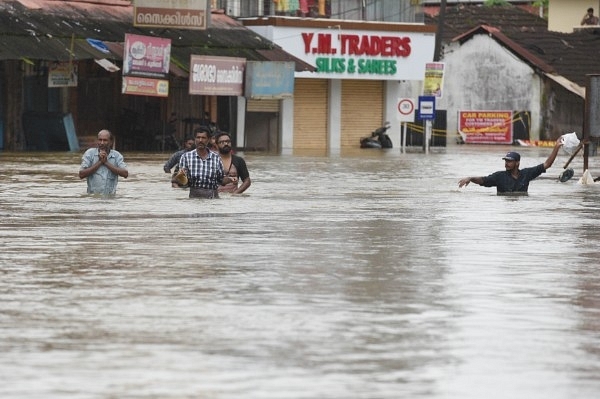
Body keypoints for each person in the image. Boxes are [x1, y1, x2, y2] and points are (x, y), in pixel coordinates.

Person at [458, 139, 563, 194]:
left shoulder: (526, 174)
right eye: (506, 161)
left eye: (510, 161)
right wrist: (470, 178)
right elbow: (483, 180)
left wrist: (556, 147)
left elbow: (547, 164)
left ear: (517, 163)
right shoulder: (499, 176)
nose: (506, 163)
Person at [178, 127, 237, 198]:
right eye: (198, 137)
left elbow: (221, 180)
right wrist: (177, 178)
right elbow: (183, 181)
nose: (200, 140)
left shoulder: (216, 157)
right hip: (194, 199)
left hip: (213, 199)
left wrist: (230, 179)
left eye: (203, 138)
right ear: (195, 139)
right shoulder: (186, 157)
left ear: (208, 139)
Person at [79, 129, 128, 195]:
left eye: (105, 140)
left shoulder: (117, 156)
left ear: (111, 142)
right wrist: (99, 162)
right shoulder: (90, 154)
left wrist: (106, 163)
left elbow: (125, 174)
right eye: (100, 140)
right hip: (92, 199)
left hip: (110, 199)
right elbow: (81, 174)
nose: (102, 143)